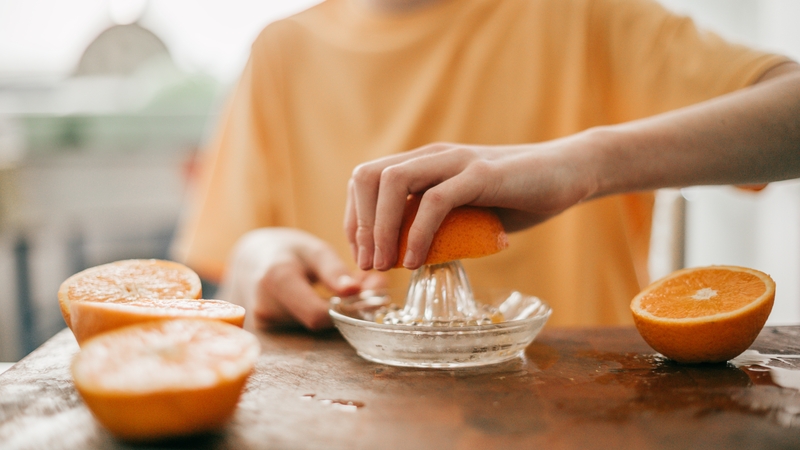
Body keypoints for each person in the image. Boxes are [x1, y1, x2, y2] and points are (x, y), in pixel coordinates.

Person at [171, 0, 798, 331]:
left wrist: (584, 161)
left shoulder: (584, 14)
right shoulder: (281, 51)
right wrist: (257, 257)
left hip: (581, 426)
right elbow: (234, 280)